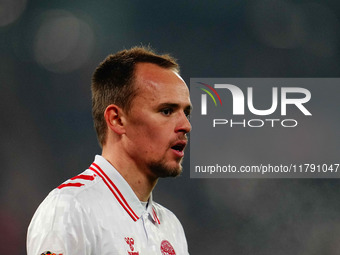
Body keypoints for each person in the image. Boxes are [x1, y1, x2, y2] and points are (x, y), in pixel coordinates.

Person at [27, 46, 192, 255]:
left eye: (185, 113)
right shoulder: (70, 208)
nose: (185, 125)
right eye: (166, 111)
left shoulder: (171, 227)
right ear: (117, 119)